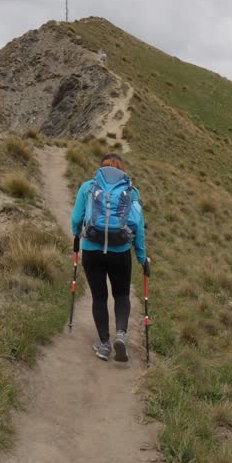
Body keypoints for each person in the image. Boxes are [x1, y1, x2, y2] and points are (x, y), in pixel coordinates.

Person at [71, 152, 148, 362]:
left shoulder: (88, 187)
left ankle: (104, 344)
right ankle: (121, 334)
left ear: (101, 169)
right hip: (120, 253)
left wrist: (77, 236)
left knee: (99, 297)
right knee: (122, 295)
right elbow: (139, 227)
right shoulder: (131, 191)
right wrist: (142, 257)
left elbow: (77, 218)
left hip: (92, 251)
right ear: (121, 170)